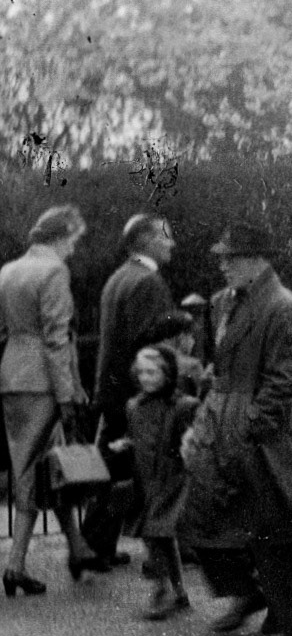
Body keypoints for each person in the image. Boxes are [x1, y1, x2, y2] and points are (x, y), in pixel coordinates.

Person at [178, 221, 292, 636]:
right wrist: (205, 421)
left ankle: (283, 617)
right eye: (221, 258)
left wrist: (249, 426)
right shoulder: (223, 303)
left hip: (261, 430)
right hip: (220, 416)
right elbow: (218, 370)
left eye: (231, 258)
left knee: (268, 525)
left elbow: (283, 382)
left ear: (258, 260)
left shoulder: (282, 306)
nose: (223, 266)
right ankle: (245, 592)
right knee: (199, 513)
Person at [1, 204, 102, 596]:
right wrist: (67, 394)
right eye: (74, 240)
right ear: (60, 236)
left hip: (12, 377)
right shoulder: (54, 272)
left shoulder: (8, 270)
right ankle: (15, 565)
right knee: (32, 468)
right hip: (43, 381)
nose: (74, 249)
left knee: (51, 461)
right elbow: (57, 339)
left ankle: (77, 547)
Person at [82, 213, 179, 566]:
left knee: (112, 467)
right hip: (133, 393)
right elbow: (148, 340)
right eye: (165, 237)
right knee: (147, 469)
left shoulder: (119, 278)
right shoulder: (149, 282)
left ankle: (95, 545)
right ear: (147, 241)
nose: (171, 243)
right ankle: (173, 547)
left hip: (110, 388)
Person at [105, 345, 198, 619]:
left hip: (172, 479)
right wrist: (126, 443)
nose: (146, 378)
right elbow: (138, 437)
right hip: (146, 480)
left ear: (168, 373)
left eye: (152, 372)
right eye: (141, 372)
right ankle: (179, 593)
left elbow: (189, 440)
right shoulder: (134, 406)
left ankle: (161, 591)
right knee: (160, 538)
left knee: (158, 534)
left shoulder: (183, 406)